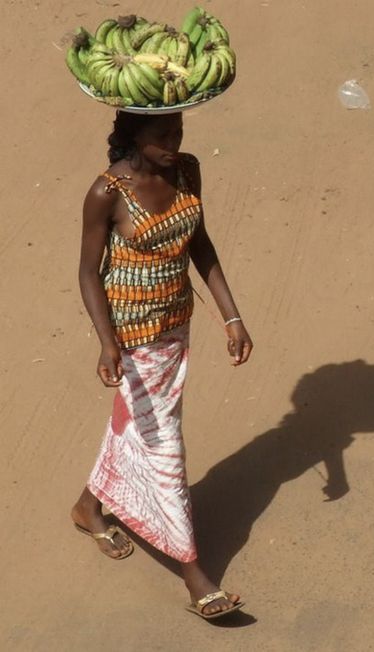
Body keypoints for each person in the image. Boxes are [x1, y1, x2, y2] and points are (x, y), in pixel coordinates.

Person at [70, 110, 254, 620]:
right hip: (131, 336)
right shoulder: (107, 193)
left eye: (178, 132)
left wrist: (231, 316)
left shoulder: (187, 171)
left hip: (176, 324)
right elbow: (88, 273)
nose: (173, 143)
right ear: (133, 138)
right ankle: (195, 574)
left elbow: (200, 243)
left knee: (139, 425)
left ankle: (89, 506)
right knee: (163, 442)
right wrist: (107, 343)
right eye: (161, 136)